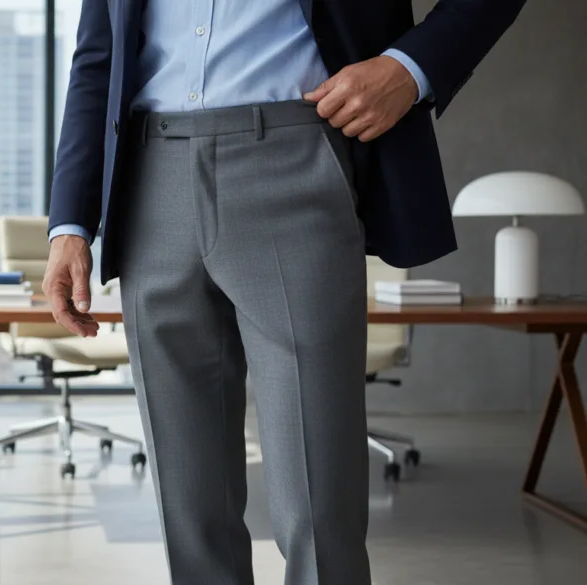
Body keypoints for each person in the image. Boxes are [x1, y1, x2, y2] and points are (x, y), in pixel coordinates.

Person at [42, 1, 526, 584]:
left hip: (293, 158)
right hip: (149, 180)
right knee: (189, 506)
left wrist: (409, 67)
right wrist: (70, 223)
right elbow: (97, 60)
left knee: (318, 506)